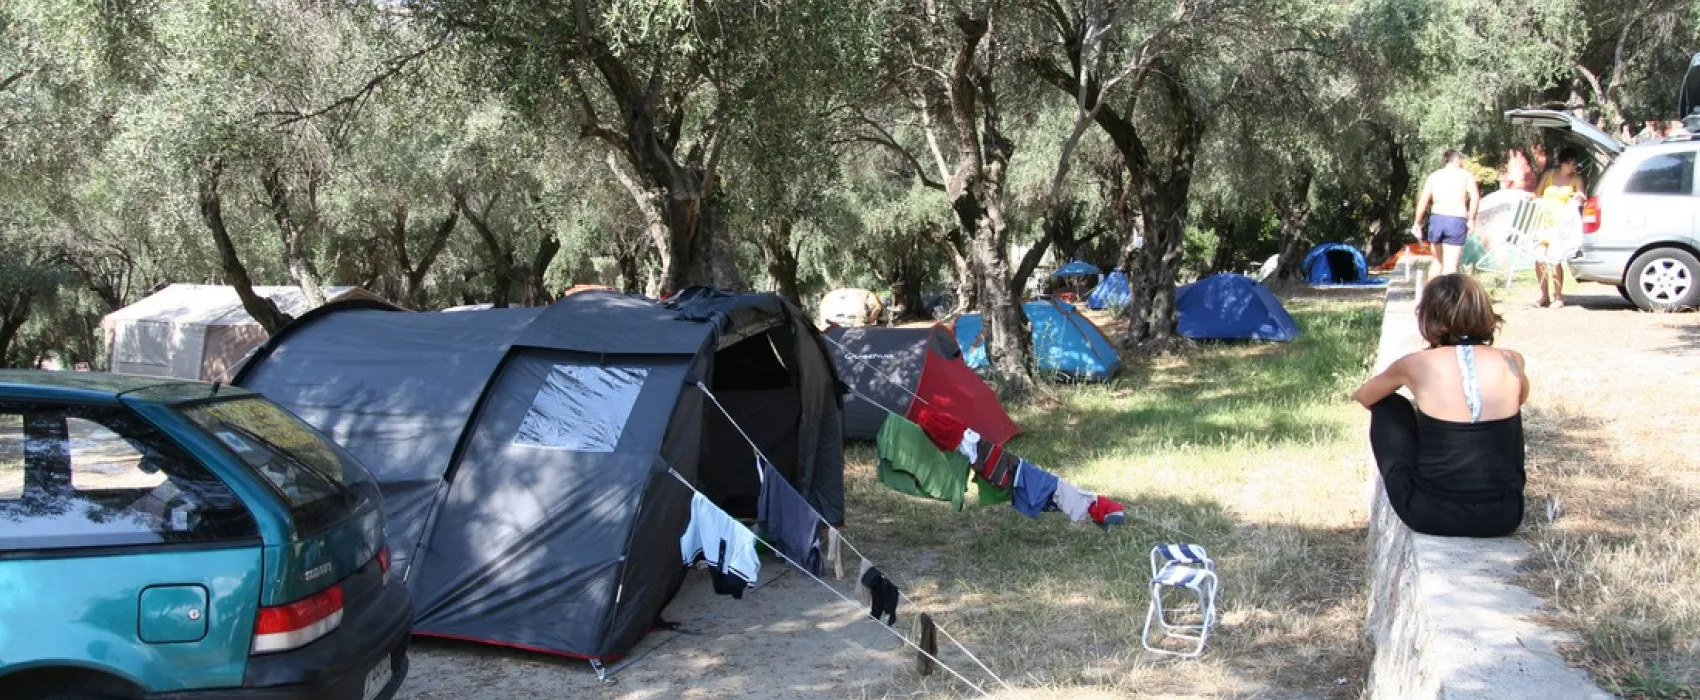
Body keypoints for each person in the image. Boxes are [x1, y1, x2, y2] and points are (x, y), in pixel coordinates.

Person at [1354, 274, 1527, 537]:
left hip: (1430, 513)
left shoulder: (1414, 364)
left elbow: (1366, 396)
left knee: (1388, 405)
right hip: (1504, 515)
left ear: (1429, 317)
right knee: (1508, 417)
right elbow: (1520, 398)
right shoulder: (1511, 360)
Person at [1532, 148, 1587, 308]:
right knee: (1539, 258)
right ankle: (1544, 295)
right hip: (1543, 220)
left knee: (1555, 259)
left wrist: (1580, 197)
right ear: (1562, 162)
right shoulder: (1549, 175)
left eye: (1575, 163)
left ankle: (1558, 296)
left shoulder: (1576, 179)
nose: (1573, 166)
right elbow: (1538, 193)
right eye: (1570, 163)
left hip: (1561, 224)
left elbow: (1582, 198)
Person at [1411, 149, 1481, 275]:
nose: (1462, 162)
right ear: (1457, 160)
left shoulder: (1434, 176)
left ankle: (1429, 294)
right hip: (1455, 219)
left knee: (1437, 262)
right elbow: (1475, 197)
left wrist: (1417, 222)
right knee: (1450, 266)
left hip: (1437, 219)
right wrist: (1471, 220)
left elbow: (1423, 200)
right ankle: (1448, 295)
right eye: (1461, 159)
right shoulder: (1465, 175)